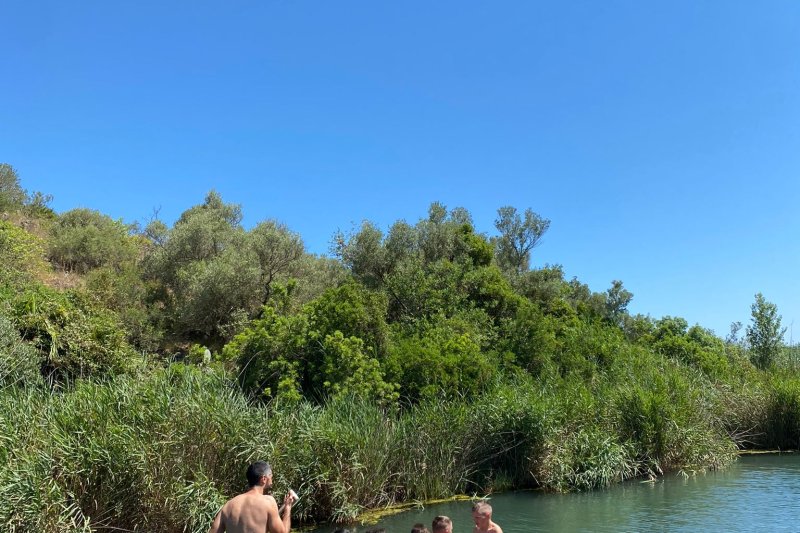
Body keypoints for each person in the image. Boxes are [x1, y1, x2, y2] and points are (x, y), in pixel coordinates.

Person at [209, 461, 294, 533]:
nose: (272, 477)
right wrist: (288, 507)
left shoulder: (228, 505)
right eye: (271, 475)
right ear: (264, 479)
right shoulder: (268, 502)